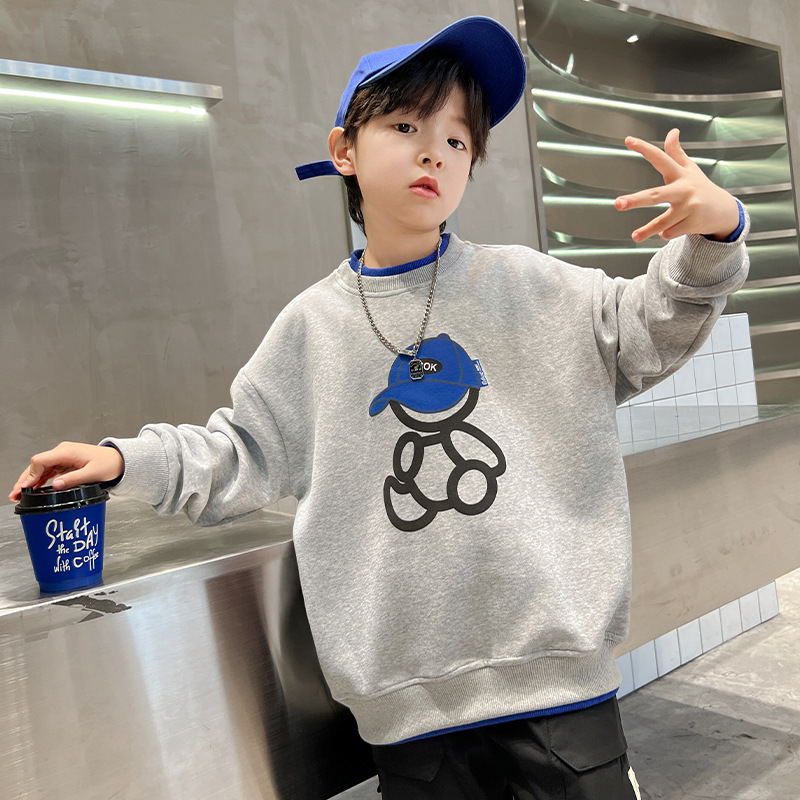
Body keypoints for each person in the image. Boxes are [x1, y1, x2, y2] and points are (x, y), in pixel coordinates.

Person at [10, 15, 748, 800]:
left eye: (458, 138)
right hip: (410, 726)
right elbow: (239, 454)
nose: (435, 151)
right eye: (405, 126)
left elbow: (648, 327)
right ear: (344, 151)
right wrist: (123, 460)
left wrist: (715, 234)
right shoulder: (310, 330)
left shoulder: (534, 288)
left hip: (563, 703)